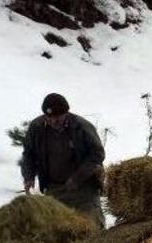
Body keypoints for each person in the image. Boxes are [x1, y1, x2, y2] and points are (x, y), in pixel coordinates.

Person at [20, 93, 106, 228]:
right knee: (59, 231)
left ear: (66, 113)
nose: (53, 121)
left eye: (58, 117)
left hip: (84, 189)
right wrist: (28, 177)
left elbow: (97, 154)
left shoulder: (82, 127)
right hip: (54, 190)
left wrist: (77, 178)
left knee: (91, 228)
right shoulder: (37, 127)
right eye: (49, 117)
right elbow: (28, 154)